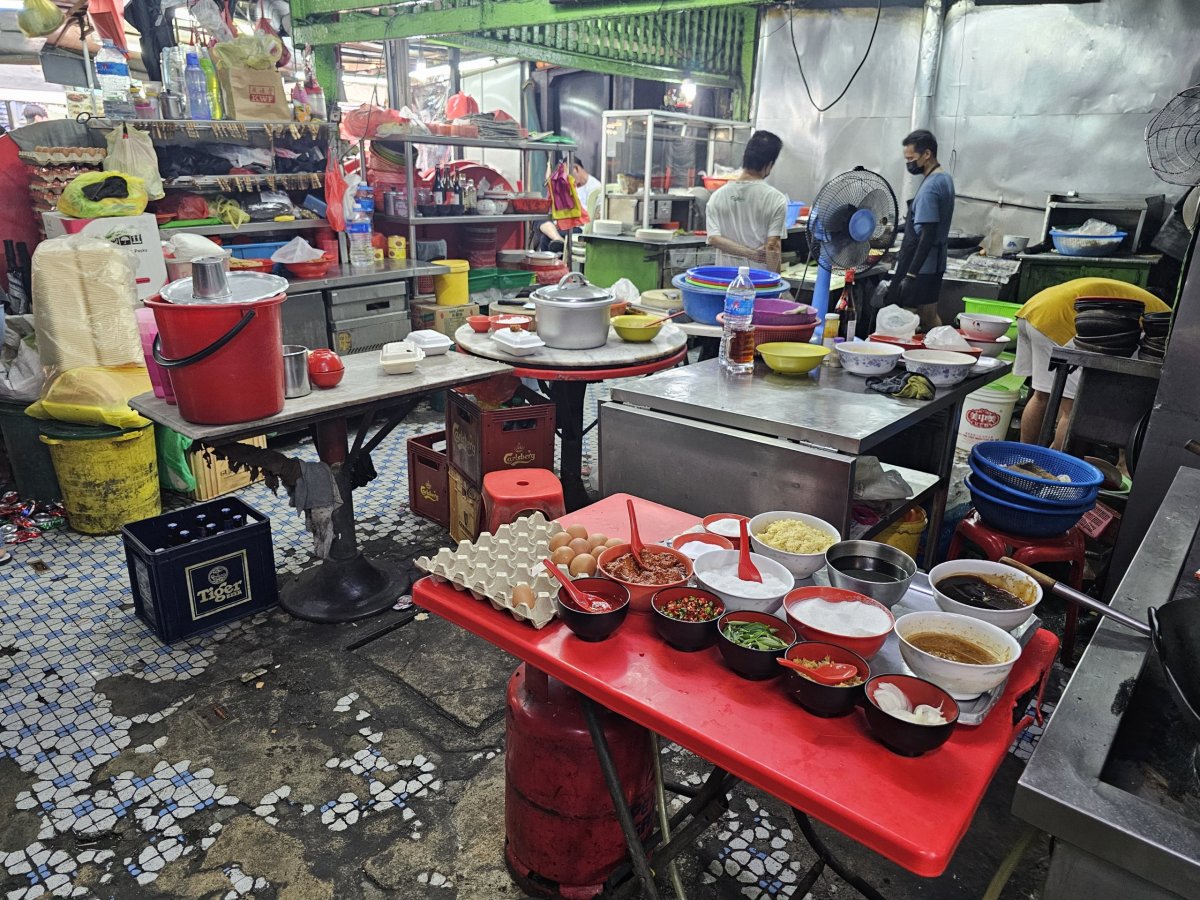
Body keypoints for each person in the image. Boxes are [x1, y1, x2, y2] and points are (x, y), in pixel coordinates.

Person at [1016, 277, 1170, 449]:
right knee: (1073, 410)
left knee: (1042, 395)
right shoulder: (1166, 324)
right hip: (1060, 319)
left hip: (1033, 310)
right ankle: (1052, 469)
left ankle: (1024, 459)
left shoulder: (1152, 306)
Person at [887, 129, 954, 331]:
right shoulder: (944, 178)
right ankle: (942, 350)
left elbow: (927, 233)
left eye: (911, 158)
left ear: (927, 154)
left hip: (923, 265)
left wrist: (911, 275)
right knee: (928, 316)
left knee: (909, 320)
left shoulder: (931, 187)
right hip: (936, 262)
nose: (909, 163)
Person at [704, 130, 788, 273]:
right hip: (758, 281)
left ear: (744, 157)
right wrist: (776, 283)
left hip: (724, 281)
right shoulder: (776, 198)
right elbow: (772, 246)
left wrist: (749, 253)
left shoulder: (717, 196)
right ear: (769, 165)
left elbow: (713, 238)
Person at [538, 159, 601, 252]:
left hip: (580, 227)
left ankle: (558, 242)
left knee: (545, 239)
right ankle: (558, 239)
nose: (566, 177)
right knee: (539, 218)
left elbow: (594, 215)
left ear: (576, 169)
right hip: (563, 222)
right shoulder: (568, 185)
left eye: (566, 173)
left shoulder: (595, 188)